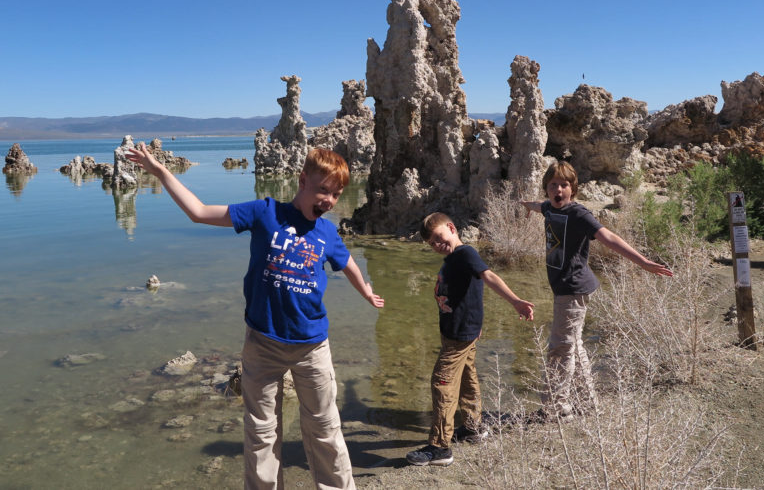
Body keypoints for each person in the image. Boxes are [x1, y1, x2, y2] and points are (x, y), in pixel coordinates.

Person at [128, 144, 384, 490]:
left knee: (325, 428)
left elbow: (347, 261)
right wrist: (160, 172)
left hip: (312, 347)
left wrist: (365, 290)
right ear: (302, 179)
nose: (329, 200)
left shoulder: (327, 232)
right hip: (262, 344)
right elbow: (200, 212)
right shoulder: (265, 212)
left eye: (336, 194)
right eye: (323, 190)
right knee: (262, 432)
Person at [520, 161, 673, 419]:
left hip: (573, 288)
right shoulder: (548, 207)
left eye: (564, 185)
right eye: (553, 185)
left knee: (559, 348)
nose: (558, 189)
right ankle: (588, 404)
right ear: (546, 189)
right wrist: (527, 206)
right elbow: (539, 206)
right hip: (565, 288)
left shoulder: (579, 214)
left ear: (573, 189)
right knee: (574, 346)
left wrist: (643, 262)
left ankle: (556, 409)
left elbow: (609, 237)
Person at [405, 212, 535, 467]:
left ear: (452, 228)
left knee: (441, 383)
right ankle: (474, 428)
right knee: (467, 376)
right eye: (431, 243)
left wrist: (515, 301)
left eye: (439, 237)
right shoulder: (454, 258)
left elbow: (489, 277)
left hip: (459, 336)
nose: (437, 245)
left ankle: (440, 447)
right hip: (459, 332)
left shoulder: (466, 254)